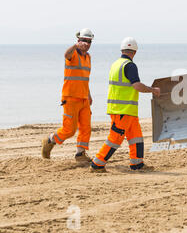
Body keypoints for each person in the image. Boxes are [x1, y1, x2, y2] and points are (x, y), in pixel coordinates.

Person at [90, 37, 160, 173]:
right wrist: (153, 90)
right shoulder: (129, 65)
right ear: (135, 51)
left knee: (136, 137)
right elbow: (137, 85)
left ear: (122, 49)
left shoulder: (116, 64)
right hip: (123, 110)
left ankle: (137, 164)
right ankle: (97, 164)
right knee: (115, 139)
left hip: (125, 110)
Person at [41, 28, 94, 163]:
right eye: (84, 41)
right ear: (78, 40)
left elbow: (84, 78)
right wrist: (75, 46)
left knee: (86, 128)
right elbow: (66, 54)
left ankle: (80, 154)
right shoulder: (72, 54)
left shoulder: (88, 57)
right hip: (70, 98)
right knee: (69, 130)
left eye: (89, 41)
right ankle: (50, 140)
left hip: (83, 98)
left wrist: (89, 95)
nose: (87, 44)